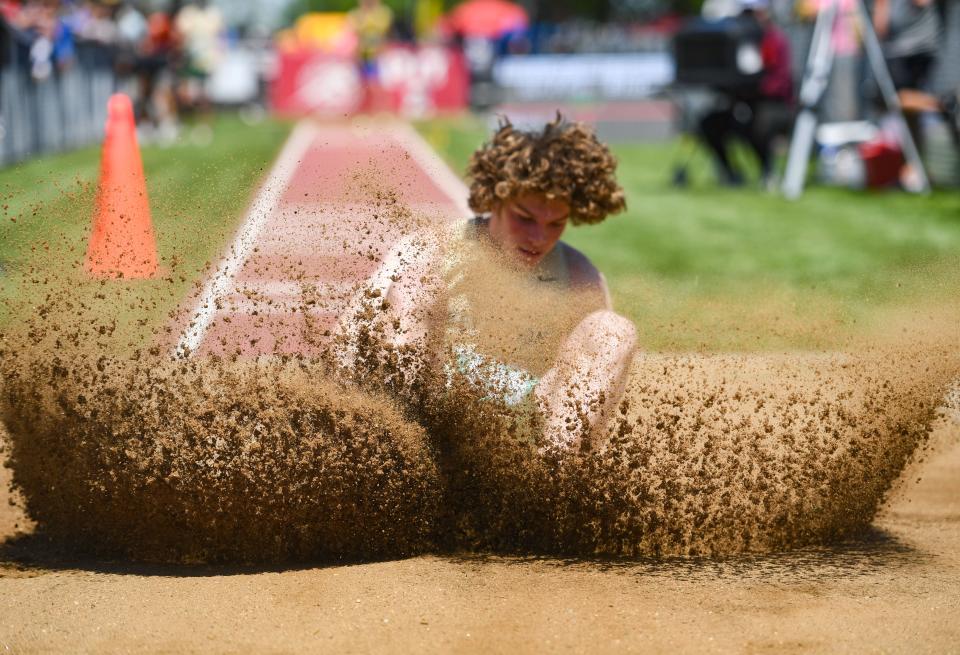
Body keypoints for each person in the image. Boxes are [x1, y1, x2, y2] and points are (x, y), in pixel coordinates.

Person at [337, 116, 637, 452]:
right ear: (496, 198)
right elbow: (349, 349)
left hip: (523, 432)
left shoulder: (580, 276)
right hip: (435, 420)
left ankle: (557, 486)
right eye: (524, 218)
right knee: (415, 288)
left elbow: (596, 388)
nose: (538, 238)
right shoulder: (428, 251)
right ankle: (399, 462)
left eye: (556, 224)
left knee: (612, 330)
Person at [698, 0, 793, 188]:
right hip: (743, 101)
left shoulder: (773, 39)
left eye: (753, 12)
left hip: (773, 104)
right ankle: (730, 173)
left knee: (759, 124)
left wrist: (753, 87)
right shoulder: (735, 39)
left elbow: (780, 81)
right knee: (709, 124)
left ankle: (768, 171)